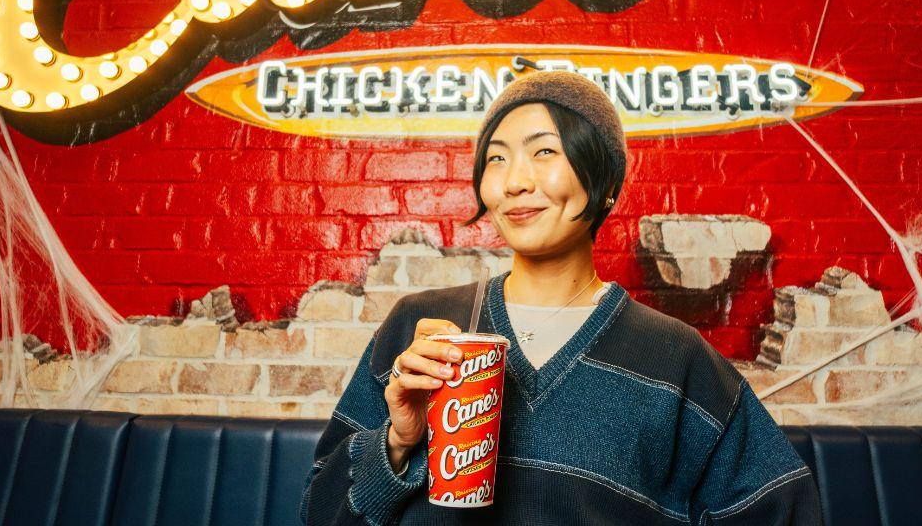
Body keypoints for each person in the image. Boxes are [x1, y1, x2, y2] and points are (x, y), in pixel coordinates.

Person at [300, 70, 821, 525]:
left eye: (544, 151)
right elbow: (320, 511)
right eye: (496, 160)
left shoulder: (677, 359)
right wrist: (397, 442)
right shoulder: (419, 325)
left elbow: (781, 507)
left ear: (605, 180)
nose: (515, 182)